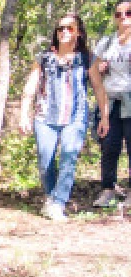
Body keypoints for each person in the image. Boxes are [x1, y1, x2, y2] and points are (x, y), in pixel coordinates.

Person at [17, 13, 99, 220]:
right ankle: (50, 197)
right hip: (45, 117)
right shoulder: (44, 58)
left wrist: (104, 116)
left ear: (78, 32)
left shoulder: (87, 58)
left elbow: (99, 88)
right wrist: (23, 115)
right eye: (60, 28)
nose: (63, 32)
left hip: (76, 116)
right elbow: (30, 87)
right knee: (45, 162)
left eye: (69, 28)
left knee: (69, 157)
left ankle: (58, 203)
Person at [91, 0, 131, 208]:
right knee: (109, 145)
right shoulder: (107, 42)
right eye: (119, 14)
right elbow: (93, 71)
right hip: (111, 101)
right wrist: (100, 72)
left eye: (128, 13)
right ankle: (108, 189)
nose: (123, 17)